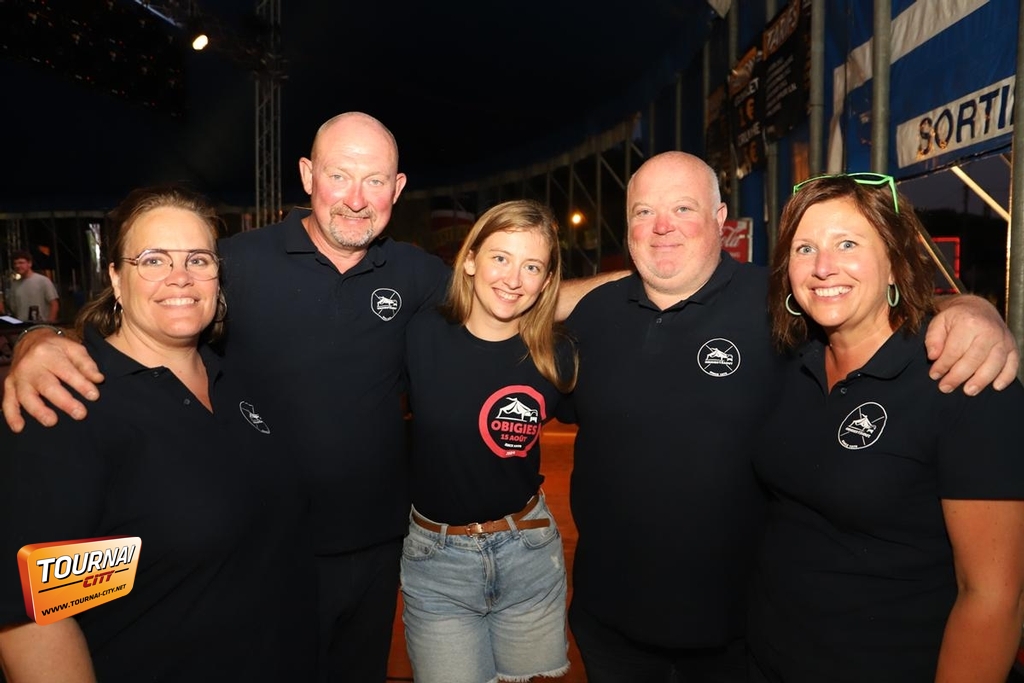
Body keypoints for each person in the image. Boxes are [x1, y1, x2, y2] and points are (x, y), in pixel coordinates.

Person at [557, 151, 1020, 682]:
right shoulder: (595, 315)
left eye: (683, 208)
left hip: (737, 642)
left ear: (720, 219)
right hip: (620, 631)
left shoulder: (776, 312)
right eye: (644, 212)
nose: (662, 226)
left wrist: (971, 309)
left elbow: (993, 594)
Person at [0, 186, 317, 682]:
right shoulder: (68, 402)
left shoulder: (236, 378)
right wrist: (36, 336)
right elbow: (33, 619)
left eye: (198, 259)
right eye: (153, 260)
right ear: (116, 279)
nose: (180, 277)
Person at [747, 174, 1024, 682]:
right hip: (769, 662)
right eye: (805, 248)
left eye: (847, 244)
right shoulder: (792, 362)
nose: (823, 266)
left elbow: (993, 598)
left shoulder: (963, 379)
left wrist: (974, 307)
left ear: (896, 261)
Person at [401, 200, 576, 682]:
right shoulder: (420, 335)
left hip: (529, 554)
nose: (513, 279)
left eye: (532, 266)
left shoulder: (557, 354)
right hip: (437, 562)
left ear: (546, 280)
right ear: (471, 260)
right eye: (500, 258)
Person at [7, 250, 59, 322]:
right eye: (15, 263)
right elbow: (14, 308)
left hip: (41, 324)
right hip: (22, 325)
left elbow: (54, 304)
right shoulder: (14, 285)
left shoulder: (43, 281)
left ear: (29, 264)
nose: (17, 266)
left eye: (21, 263)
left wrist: (49, 324)